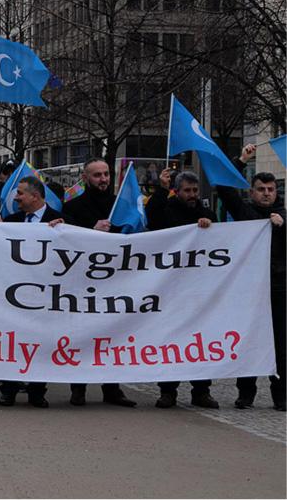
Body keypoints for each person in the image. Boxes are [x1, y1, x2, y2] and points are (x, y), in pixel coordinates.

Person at [61, 157, 137, 408]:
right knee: (80, 332)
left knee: (112, 333)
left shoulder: (121, 204)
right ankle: (78, 388)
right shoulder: (73, 206)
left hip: (115, 280)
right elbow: (67, 240)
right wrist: (91, 230)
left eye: (106, 174)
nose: (103, 179)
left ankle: (112, 388)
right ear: (85, 178)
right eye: (97, 175)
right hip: (83, 281)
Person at [217, 144, 285, 412]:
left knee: (281, 345)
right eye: (261, 189)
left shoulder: (285, 215)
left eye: (270, 190)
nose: (266, 194)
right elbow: (224, 189)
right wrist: (241, 160)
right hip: (249, 290)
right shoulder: (245, 214)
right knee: (248, 340)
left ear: (276, 192)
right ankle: (246, 393)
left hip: (279, 288)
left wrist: (283, 225)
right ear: (252, 192)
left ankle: (281, 395)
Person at [146, 169, 219, 409]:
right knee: (171, 337)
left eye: (195, 190)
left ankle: (201, 390)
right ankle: (168, 391)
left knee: (201, 339)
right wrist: (160, 189)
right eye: (187, 190)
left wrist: (209, 225)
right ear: (177, 191)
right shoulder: (167, 211)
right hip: (172, 288)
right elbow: (153, 219)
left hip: (199, 289)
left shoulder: (206, 213)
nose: (192, 195)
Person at [0, 176, 64, 408]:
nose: (16, 197)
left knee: (41, 341)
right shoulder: (12, 221)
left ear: (35, 196)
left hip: (45, 294)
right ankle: (8, 389)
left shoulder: (60, 222)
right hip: (15, 293)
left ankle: (37, 391)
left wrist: (64, 232)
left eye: (20, 193)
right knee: (13, 342)